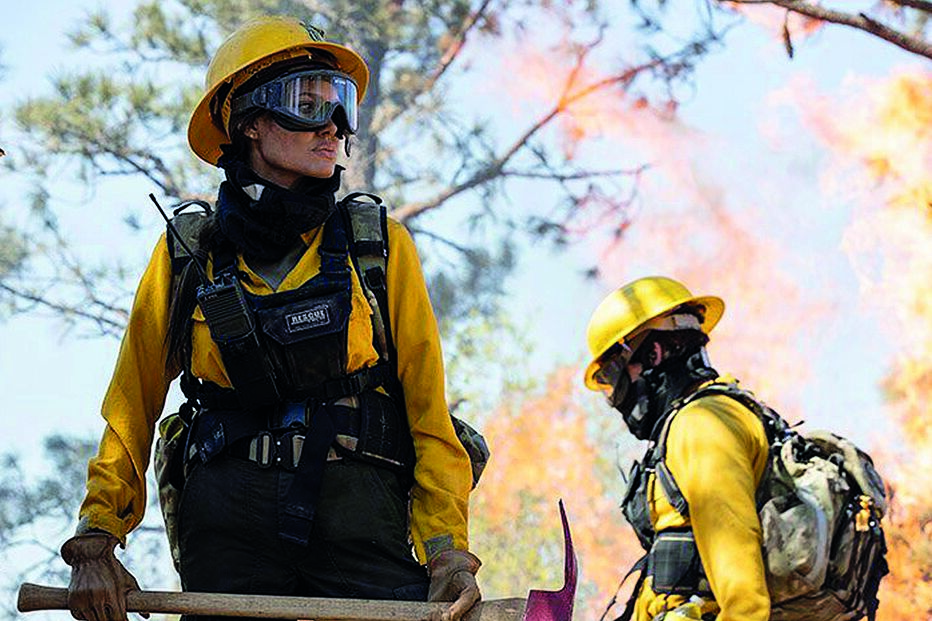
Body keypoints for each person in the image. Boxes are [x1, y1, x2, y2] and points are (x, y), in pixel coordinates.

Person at [61, 15, 480, 621]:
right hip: (228, 533)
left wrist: (448, 553)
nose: (333, 126)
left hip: (361, 522)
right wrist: (96, 537)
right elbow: (132, 402)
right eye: (307, 103)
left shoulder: (378, 245)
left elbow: (428, 411)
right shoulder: (189, 253)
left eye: (342, 106)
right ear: (250, 122)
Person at [582, 276, 769, 621]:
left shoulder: (701, 426)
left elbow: (745, 599)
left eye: (613, 375)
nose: (616, 398)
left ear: (653, 353)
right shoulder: (706, 420)